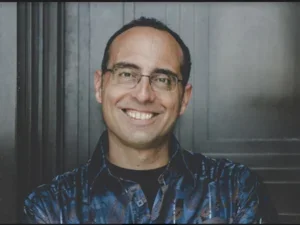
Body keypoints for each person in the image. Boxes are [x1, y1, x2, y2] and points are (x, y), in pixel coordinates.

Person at [23, 16, 279, 224]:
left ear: (184, 98)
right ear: (100, 86)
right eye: (126, 74)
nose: (143, 95)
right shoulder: (50, 207)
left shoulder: (235, 190)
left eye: (163, 79)